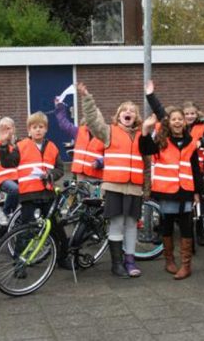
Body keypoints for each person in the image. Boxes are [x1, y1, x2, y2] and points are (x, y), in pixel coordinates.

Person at [79, 82, 148, 278]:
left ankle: (130, 260)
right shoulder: (109, 131)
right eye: (124, 111)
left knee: (132, 224)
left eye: (132, 111)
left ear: (136, 117)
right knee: (117, 224)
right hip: (114, 187)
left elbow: (148, 163)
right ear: (118, 116)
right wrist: (87, 98)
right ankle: (117, 264)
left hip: (134, 188)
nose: (128, 113)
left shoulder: (141, 135)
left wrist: (147, 188)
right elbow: (93, 120)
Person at [0, 112, 70, 269]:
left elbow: (60, 168)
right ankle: (19, 264)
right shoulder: (21, 146)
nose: (38, 130)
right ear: (29, 130)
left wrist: (50, 175)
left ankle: (62, 258)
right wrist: (3, 146)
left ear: (46, 129)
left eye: (41, 127)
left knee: (57, 229)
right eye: (34, 127)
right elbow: (7, 162)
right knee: (27, 230)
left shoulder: (52, 147)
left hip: (48, 194)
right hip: (29, 195)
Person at [139, 110, 204, 280]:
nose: (177, 122)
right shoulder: (162, 140)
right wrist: (145, 129)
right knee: (166, 226)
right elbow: (145, 148)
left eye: (180, 119)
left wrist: (198, 192)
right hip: (166, 190)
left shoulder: (191, 142)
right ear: (169, 122)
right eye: (174, 119)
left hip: (186, 190)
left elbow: (195, 169)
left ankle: (186, 265)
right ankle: (169, 261)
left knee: (186, 227)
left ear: (184, 122)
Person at [145, 80, 204, 171]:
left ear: (197, 114)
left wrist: (200, 142)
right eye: (186, 114)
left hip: (195, 166)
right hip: (175, 165)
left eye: (192, 113)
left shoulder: (201, 127)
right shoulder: (176, 126)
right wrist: (150, 96)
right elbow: (160, 112)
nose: (190, 116)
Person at [54, 98, 104, 181]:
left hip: (96, 175)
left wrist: (100, 162)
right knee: (81, 193)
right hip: (80, 174)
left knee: (96, 194)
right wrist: (60, 107)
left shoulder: (104, 136)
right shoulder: (79, 132)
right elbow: (64, 124)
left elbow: (109, 156)